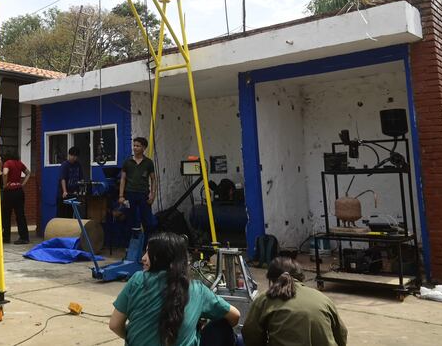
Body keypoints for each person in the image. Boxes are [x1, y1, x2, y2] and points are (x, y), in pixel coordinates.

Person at [109, 232, 240, 345]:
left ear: (162, 257)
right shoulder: (197, 289)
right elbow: (235, 316)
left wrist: (133, 337)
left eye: (149, 253)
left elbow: (114, 325)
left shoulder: (137, 280)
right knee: (223, 327)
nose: (143, 258)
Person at [242, 256, 348, 346]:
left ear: (272, 279)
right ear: (301, 277)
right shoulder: (323, 299)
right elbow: (342, 334)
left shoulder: (265, 299)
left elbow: (250, 334)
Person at [119, 137, 157, 234]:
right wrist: (121, 196)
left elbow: (153, 179)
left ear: (143, 148)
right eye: (134, 146)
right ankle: (129, 246)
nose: (135, 148)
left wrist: (152, 195)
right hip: (130, 194)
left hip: (143, 194)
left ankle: (146, 246)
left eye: (138, 146)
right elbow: (123, 179)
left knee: (147, 221)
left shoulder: (148, 163)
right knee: (129, 220)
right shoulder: (127, 162)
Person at [1, 152, 31, 245]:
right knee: (20, 215)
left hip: (9, 192)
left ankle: (6, 237)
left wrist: (5, 184)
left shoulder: (7, 163)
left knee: (6, 215)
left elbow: (5, 173)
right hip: (19, 191)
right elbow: (28, 173)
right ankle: (24, 237)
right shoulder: (19, 163)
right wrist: (23, 184)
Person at [58, 146, 85, 219]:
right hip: (65, 194)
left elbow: (81, 178)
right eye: (73, 156)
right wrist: (64, 191)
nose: (74, 158)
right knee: (63, 214)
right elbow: (62, 179)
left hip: (74, 193)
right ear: (69, 155)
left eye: (76, 156)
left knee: (72, 214)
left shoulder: (78, 165)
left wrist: (80, 190)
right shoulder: (65, 165)